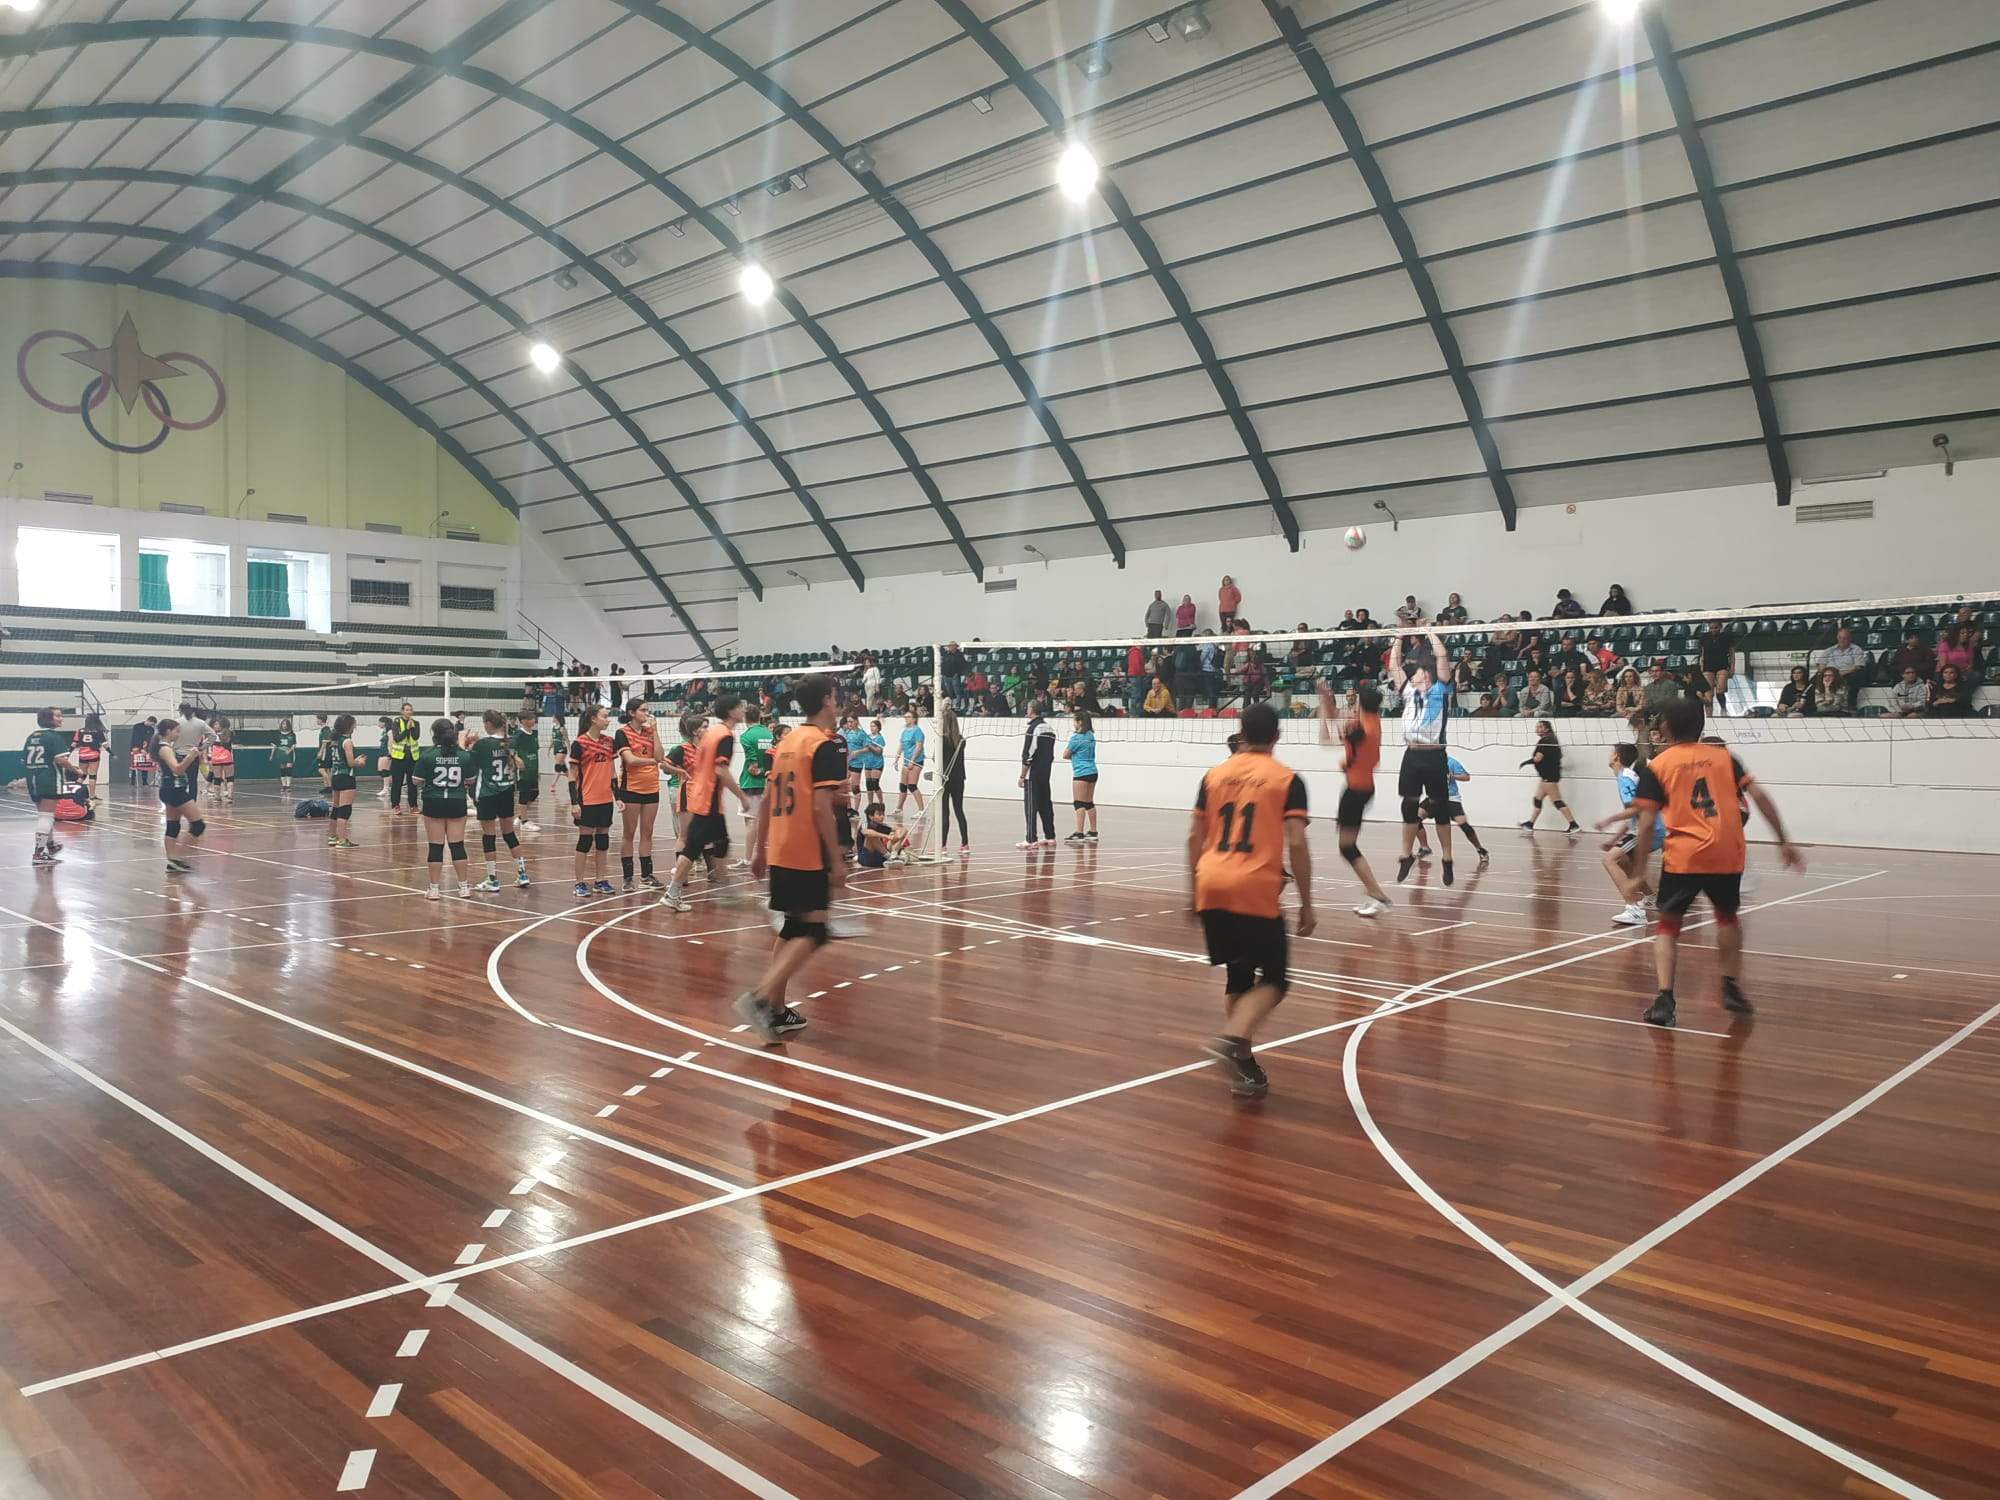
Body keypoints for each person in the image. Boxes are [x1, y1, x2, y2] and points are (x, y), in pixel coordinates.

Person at [1628, 698, 1804, 1027]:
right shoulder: (1724, 757)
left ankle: (1665, 999)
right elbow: (1761, 797)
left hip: (1685, 854)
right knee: (1726, 918)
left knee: (1667, 926)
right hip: (1726, 850)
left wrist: (1639, 870)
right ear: (1702, 725)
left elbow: (1647, 820)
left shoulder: (1659, 764)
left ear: (1664, 728)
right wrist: (1783, 840)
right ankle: (1731, 987)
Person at [1191, 702, 1315, 1098]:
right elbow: (1296, 841)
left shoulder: (1213, 774)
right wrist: (1307, 901)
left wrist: (1191, 891)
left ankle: (1244, 1067)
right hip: (1253, 887)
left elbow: (1194, 837)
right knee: (1276, 979)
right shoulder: (1286, 779)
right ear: (1277, 736)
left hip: (1211, 882)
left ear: (1241, 734)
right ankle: (1231, 1041)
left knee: (1239, 975)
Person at [736, 673, 846, 1044]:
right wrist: (837, 858)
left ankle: (777, 1014)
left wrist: (758, 849)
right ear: (829, 700)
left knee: (792, 928)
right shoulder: (823, 745)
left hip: (782, 847)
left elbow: (767, 800)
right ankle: (761, 997)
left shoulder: (787, 742)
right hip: (806, 850)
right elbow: (819, 808)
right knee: (815, 930)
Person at [661, 697, 749, 912]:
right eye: (740, 707)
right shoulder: (725, 736)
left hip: (704, 797)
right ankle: (673, 893)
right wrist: (742, 796)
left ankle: (724, 887)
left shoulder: (713, 733)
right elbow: (721, 771)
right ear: (731, 711)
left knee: (721, 843)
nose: (743, 710)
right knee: (693, 846)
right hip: (707, 799)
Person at [1387, 628, 1456, 885]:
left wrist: (1429, 632)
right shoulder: (1406, 689)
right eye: (1416, 673)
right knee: (1408, 807)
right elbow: (1393, 663)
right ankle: (1406, 855)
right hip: (1412, 756)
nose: (1419, 676)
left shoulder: (1441, 689)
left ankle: (1447, 859)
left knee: (1440, 810)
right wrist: (1399, 636)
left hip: (1435, 755)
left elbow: (1442, 655)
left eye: (1422, 673)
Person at [1318, 680, 1392, 917]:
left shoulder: (1358, 728)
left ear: (1360, 703)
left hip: (1356, 791)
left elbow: (1325, 738)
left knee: (1347, 847)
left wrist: (1322, 706)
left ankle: (1378, 896)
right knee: (1347, 846)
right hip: (1364, 787)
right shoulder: (1372, 721)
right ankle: (1374, 894)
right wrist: (1328, 699)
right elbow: (1338, 715)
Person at [1596, 742, 1662, 926]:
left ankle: (1634, 910)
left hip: (1649, 829)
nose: (1609, 755)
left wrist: (1609, 820)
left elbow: (1635, 810)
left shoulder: (1625, 778)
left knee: (1609, 860)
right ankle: (1650, 897)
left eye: (1611, 752)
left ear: (1617, 757)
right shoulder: (1627, 776)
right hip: (1651, 827)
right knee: (1624, 860)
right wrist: (1615, 839)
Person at [467, 709, 529, 891]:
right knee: (509, 834)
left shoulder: (483, 744)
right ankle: (522, 874)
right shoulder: (511, 741)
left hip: (488, 793)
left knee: (489, 836)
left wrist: (467, 745)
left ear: (487, 723)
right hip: (507, 792)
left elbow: (470, 763)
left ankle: (492, 879)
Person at [415, 719, 472, 901]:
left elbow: (416, 780)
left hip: (433, 801)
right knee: (457, 846)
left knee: (435, 847)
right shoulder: (463, 755)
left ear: (434, 734)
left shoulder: (428, 755)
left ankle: (434, 889)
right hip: (457, 801)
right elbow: (470, 779)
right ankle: (463, 887)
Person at [613, 698, 663, 893]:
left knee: (647, 833)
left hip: (652, 787)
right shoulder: (622, 733)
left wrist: (656, 730)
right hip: (631, 788)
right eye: (643, 710)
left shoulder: (650, 731)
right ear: (632, 713)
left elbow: (660, 755)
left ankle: (646, 875)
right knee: (629, 833)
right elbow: (630, 760)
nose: (647, 713)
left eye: (647, 710)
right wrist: (652, 761)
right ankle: (627, 878)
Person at [569, 705, 618, 898]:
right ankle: (579, 883)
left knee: (603, 841)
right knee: (585, 841)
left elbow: (613, 772)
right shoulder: (580, 743)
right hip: (586, 799)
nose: (608, 720)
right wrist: (574, 802)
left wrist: (618, 797)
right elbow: (572, 776)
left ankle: (600, 880)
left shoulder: (609, 742)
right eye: (605, 717)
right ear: (593, 719)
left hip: (605, 799)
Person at [21, 707, 76, 866]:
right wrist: (76, 771)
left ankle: (50, 846)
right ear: (49, 719)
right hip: (49, 779)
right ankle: (38, 854)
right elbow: (61, 761)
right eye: (58, 716)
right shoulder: (53, 737)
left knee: (45, 815)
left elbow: (24, 760)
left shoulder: (32, 736)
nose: (61, 719)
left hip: (33, 779)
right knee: (46, 816)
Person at [1519, 719, 1581, 832]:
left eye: (1540, 727)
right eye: (1537, 727)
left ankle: (1573, 825)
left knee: (1557, 801)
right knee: (1537, 799)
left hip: (1549, 776)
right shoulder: (1551, 739)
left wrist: (1526, 762)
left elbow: (1538, 758)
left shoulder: (1546, 741)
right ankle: (1530, 824)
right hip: (1547, 776)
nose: (1537, 729)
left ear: (1546, 729)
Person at [1429, 751, 1489, 863]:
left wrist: (1453, 776)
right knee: (1414, 818)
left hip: (1451, 798)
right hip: (1435, 798)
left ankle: (1480, 849)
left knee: (1464, 826)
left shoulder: (1451, 762)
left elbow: (1467, 777)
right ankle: (1424, 847)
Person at [733, 706, 774, 868]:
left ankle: (748, 858)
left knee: (750, 821)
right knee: (766, 820)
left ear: (745, 718)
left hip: (751, 782)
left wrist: (755, 767)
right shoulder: (769, 734)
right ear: (759, 716)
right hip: (768, 781)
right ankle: (770, 856)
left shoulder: (746, 736)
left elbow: (752, 762)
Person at [1018, 700, 1058, 849]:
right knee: (1046, 804)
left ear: (1032, 710)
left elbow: (1028, 753)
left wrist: (1022, 775)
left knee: (1031, 806)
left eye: (1027, 707)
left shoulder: (1034, 728)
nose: (1026, 709)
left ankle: (1030, 839)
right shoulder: (1050, 728)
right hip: (1046, 772)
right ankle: (1050, 836)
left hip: (1033, 774)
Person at [317, 714, 359, 846]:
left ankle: (332, 836)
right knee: (345, 809)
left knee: (335, 808)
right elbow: (351, 763)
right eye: (354, 724)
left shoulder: (334, 740)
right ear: (349, 726)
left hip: (335, 776)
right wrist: (360, 762)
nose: (355, 726)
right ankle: (342, 840)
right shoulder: (347, 742)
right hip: (346, 777)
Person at [1063, 710, 1099, 844]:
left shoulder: (1076, 738)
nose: (1073, 723)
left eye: (1074, 720)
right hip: (1093, 771)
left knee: (1079, 803)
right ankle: (1093, 831)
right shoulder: (1090, 735)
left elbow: (1065, 755)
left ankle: (1079, 833)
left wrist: (1075, 757)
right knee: (1089, 802)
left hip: (1081, 772)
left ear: (1079, 722)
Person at [385, 702, 420, 815]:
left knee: (412, 783)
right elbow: (398, 738)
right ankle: (395, 805)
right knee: (397, 783)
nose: (409, 712)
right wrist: (407, 729)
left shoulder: (416, 723)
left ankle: (413, 806)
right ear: (402, 711)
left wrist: (411, 727)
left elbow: (415, 736)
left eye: (410, 709)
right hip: (399, 758)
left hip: (412, 757)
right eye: (407, 710)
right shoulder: (396, 722)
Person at [892, 707, 926, 819]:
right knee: (903, 786)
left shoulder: (917, 731)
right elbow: (901, 746)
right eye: (905, 717)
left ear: (914, 719)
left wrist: (912, 760)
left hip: (915, 761)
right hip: (906, 761)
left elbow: (919, 746)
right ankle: (899, 808)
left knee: (912, 786)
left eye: (908, 717)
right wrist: (896, 759)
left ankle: (922, 810)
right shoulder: (904, 731)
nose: (906, 718)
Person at [511, 709, 542, 832]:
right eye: (531, 718)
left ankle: (520, 816)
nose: (533, 720)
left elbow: (535, 752)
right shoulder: (518, 735)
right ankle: (524, 822)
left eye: (534, 718)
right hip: (523, 772)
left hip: (533, 770)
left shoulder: (534, 734)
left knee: (534, 793)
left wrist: (537, 770)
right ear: (523, 721)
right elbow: (509, 748)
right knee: (524, 795)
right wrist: (516, 758)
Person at [1812, 627, 1869, 693]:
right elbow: (1821, 665)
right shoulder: (1829, 650)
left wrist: (1839, 675)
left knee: (1854, 678)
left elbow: (1857, 667)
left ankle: (1849, 702)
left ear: (1850, 639)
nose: (1842, 640)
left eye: (1845, 638)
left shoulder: (1857, 649)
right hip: (1829, 674)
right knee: (1814, 679)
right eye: (1840, 638)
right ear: (1837, 638)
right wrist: (1826, 674)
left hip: (1846, 674)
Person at [206, 716, 236, 804]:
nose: (216, 726)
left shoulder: (212, 735)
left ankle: (217, 797)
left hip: (215, 758)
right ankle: (230, 796)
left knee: (217, 778)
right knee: (230, 778)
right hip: (227, 757)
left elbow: (206, 745)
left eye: (217, 724)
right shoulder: (230, 733)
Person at [271, 716, 297, 794]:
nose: (284, 725)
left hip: (289, 753)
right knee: (283, 769)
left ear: (288, 725)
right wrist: (272, 755)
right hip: (280, 753)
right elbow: (275, 746)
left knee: (289, 768)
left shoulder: (292, 734)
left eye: (285, 724)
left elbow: (294, 745)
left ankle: (288, 785)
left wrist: (289, 751)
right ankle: (283, 785)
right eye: (283, 724)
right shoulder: (278, 734)